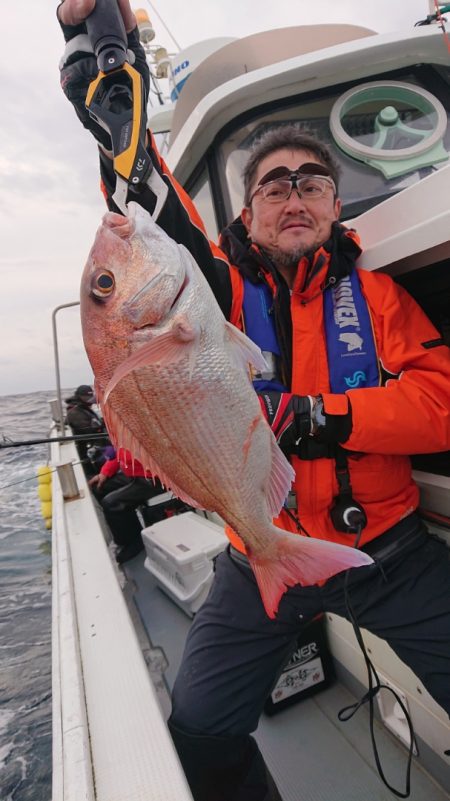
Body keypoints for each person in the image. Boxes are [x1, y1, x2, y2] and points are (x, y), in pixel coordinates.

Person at [57, 3, 450, 799]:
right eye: (275, 185)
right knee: (199, 730)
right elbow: (147, 202)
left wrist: (324, 416)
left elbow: (440, 404)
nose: (295, 196)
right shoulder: (216, 291)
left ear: (335, 207)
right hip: (256, 547)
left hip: (390, 551)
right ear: (249, 213)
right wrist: (102, 54)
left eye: (314, 183)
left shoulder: (380, 299)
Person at [89, 448, 165, 563]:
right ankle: (127, 532)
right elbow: (119, 451)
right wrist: (105, 472)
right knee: (98, 488)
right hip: (134, 472)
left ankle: (134, 542)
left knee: (111, 503)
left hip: (155, 478)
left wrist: (118, 455)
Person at [65, 384, 107, 473]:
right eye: (87, 399)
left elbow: (96, 423)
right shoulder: (74, 413)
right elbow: (90, 431)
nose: (90, 402)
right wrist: (102, 424)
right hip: (89, 450)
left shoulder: (83, 408)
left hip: (98, 443)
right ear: (78, 397)